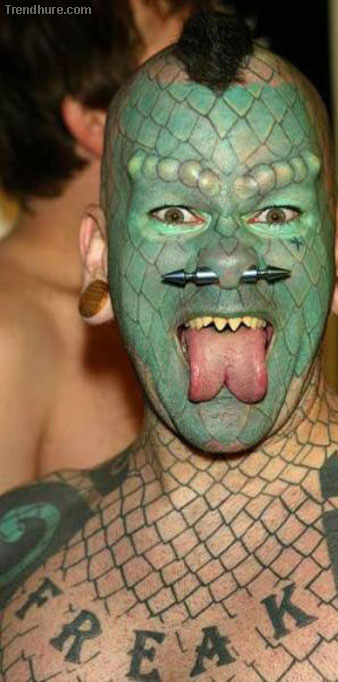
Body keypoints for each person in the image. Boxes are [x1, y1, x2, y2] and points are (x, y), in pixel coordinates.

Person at [2, 11, 338, 681]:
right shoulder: (17, 552)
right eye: (174, 213)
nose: (229, 259)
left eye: (276, 212)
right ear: (98, 258)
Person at [0, 0, 199, 492]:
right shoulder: (9, 339)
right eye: (183, 65)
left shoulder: (195, 291)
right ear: (96, 121)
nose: (225, 92)